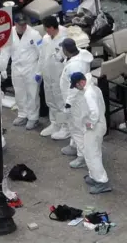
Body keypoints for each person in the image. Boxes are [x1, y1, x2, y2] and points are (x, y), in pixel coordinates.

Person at [70, 72, 112, 194]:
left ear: (81, 82)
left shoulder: (89, 93)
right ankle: (94, 176)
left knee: (91, 154)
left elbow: (94, 112)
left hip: (94, 128)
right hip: (99, 124)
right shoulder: (94, 88)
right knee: (95, 152)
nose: (76, 88)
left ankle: (102, 182)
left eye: (76, 85)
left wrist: (90, 123)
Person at [0, 13, 42, 130]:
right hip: (16, 68)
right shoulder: (9, 34)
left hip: (31, 67)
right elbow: (5, 52)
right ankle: (22, 114)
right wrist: (2, 68)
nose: (23, 27)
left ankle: (33, 117)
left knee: (32, 94)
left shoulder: (34, 34)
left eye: (24, 25)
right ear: (15, 24)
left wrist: (39, 71)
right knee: (19, 92)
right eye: (20, 25)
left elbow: (42, 54)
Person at [59, 38, 93, 169]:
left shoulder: (75, 66)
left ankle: (83, 156)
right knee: (77, 128)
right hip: (78, 99)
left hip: (75, 102)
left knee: (77, 128)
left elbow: (74, 87)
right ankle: (74, 146)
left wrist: (68, 105)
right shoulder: (81, 54)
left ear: (66, 50)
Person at [36, 16, 69, 140]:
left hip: (59, 77)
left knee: (60, 103)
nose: (45, 31)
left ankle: (65, 127)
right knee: (50, 101)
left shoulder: (65, 39)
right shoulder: (46, 39)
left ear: (51, 28)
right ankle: (55, 123)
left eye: (46, 29)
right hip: (47, 76)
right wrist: (39, 72)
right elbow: (42, 56)